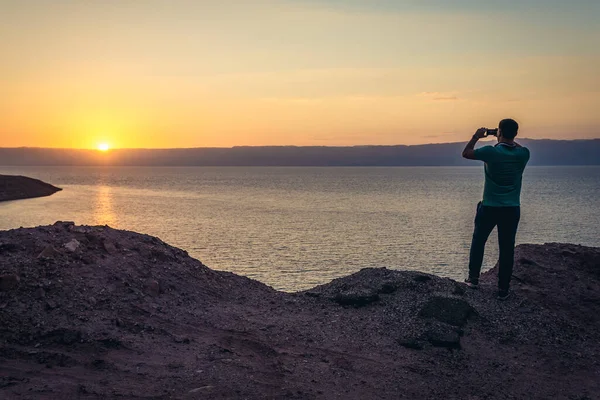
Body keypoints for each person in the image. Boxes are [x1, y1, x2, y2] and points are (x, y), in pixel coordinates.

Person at [461, 119, 530, 300]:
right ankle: (503, 289)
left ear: (499, 132)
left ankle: (473, 279)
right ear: (515, 133)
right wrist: (504, 137)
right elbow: (516, 146)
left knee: (479, 241)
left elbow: (466, 153)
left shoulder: (491, 152)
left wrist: (477, 136)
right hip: (512, 208)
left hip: (490, 206)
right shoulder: (524, 154)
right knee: (507, 248)